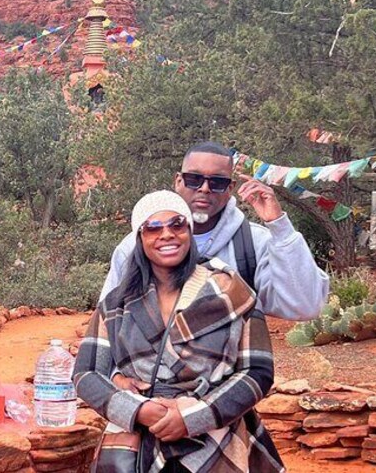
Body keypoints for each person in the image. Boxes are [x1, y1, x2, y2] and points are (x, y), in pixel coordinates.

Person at [74, 191, 283, 473]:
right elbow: (86, 373)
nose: (167, 234)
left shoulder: (231, 291)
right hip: (139, 443)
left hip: (219, 441)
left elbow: (258, 371)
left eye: (177, 224)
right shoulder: (116, 303)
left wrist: (193, 417)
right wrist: (139, 411)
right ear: (140, 237)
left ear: (189, 231)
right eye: (153, 227)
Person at [99, 142, 329, 322]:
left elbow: (306, 307)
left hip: (231, 368)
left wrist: (279, 225)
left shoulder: (254, 243)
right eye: (194, 179)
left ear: (230, 189)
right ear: (178, 181)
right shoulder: (137, 245)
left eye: (217, 182)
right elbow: (106, 321)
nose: (204, 188)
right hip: (148, 368)